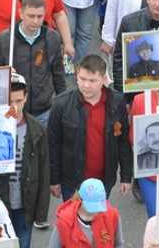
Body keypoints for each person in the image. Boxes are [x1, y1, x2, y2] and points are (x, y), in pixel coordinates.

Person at [46, 53, 132, 201]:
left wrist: (126, 176)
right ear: (76, 77)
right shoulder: (61, 104)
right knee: (74, 222)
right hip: (72, 183)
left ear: (104, 79)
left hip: (104, 181)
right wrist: (54, 180)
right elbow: (53, 145)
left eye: (92, 80)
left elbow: (123, 142)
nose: (86, 85)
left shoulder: (117, 103)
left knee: (98, 221)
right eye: (82, 79)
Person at [47, 178, 124, 248]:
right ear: (80, 199)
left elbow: (119, 244)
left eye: (98, 205)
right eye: (91, 206)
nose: (95, 211)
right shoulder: (64, 222)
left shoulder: (112, 215)